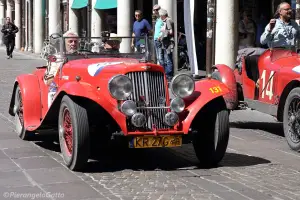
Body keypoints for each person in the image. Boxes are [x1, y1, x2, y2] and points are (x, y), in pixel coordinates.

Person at [158, 8, 174, 82]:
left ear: (163, 15)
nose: (160, 17)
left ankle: (169, 75)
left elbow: (170, 31)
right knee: (167, 58)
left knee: (168, 59)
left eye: (161, 16)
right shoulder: (166, 20)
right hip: (165, 42)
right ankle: (168, 75)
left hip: (168, 42)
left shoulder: (168, 20)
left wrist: (162, 34)